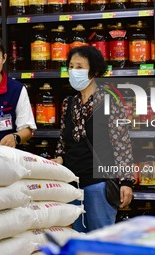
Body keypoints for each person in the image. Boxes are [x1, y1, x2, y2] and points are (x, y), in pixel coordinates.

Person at [52, 46, 135, 233]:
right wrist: (57, 159)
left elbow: (121, 143)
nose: (74, 72)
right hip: (71, 184)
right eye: (71, 67)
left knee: (100, 238)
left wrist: (126, 182)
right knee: (76, 237)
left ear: (94, 71)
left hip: (99, 183)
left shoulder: (108, 101)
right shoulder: (69, 103)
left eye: (80, 67)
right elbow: (63, 142)